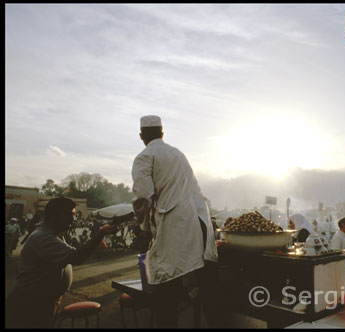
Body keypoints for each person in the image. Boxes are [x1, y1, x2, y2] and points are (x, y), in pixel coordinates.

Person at [131, 115, 218, 328]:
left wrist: (143, 227)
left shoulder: (145, 156)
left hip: (177, 224)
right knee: (206, 287)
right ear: (162, 133)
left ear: (142, 136)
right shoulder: (178, 153)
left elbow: (143, 197)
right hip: (200, 221)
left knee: (166, 289)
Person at [5, 197, 118, 328]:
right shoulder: (43, 237)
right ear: (53, 215)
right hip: (31, 301)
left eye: (74, 215)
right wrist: (100, 233)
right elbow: (76, 257)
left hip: (45, 300)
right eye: (68, 214)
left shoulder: (55, 234)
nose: (73, 219)